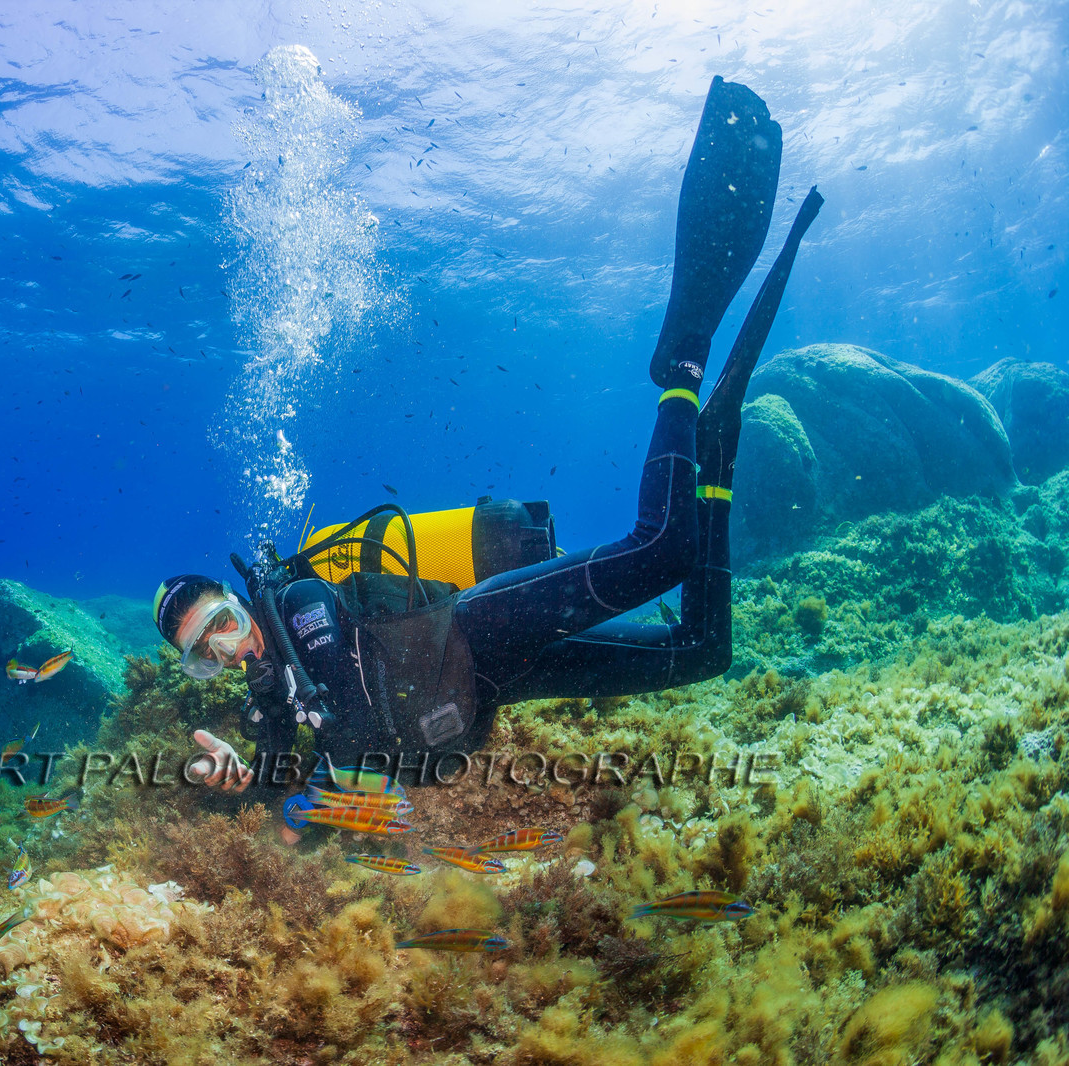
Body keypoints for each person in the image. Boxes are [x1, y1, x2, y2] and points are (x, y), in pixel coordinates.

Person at [153, 76, 823, 843]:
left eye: (221, 623)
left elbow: (358, 732)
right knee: (700, 653)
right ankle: (714, 460)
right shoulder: (272, 691)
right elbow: (292, 782)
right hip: (488, 688)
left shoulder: (300, 605)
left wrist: (302, 810)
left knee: (660, 551)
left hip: (478, 631)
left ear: (238, 602)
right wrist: (241, 786)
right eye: (203, 654)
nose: (227, 648)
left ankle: (680, 371)